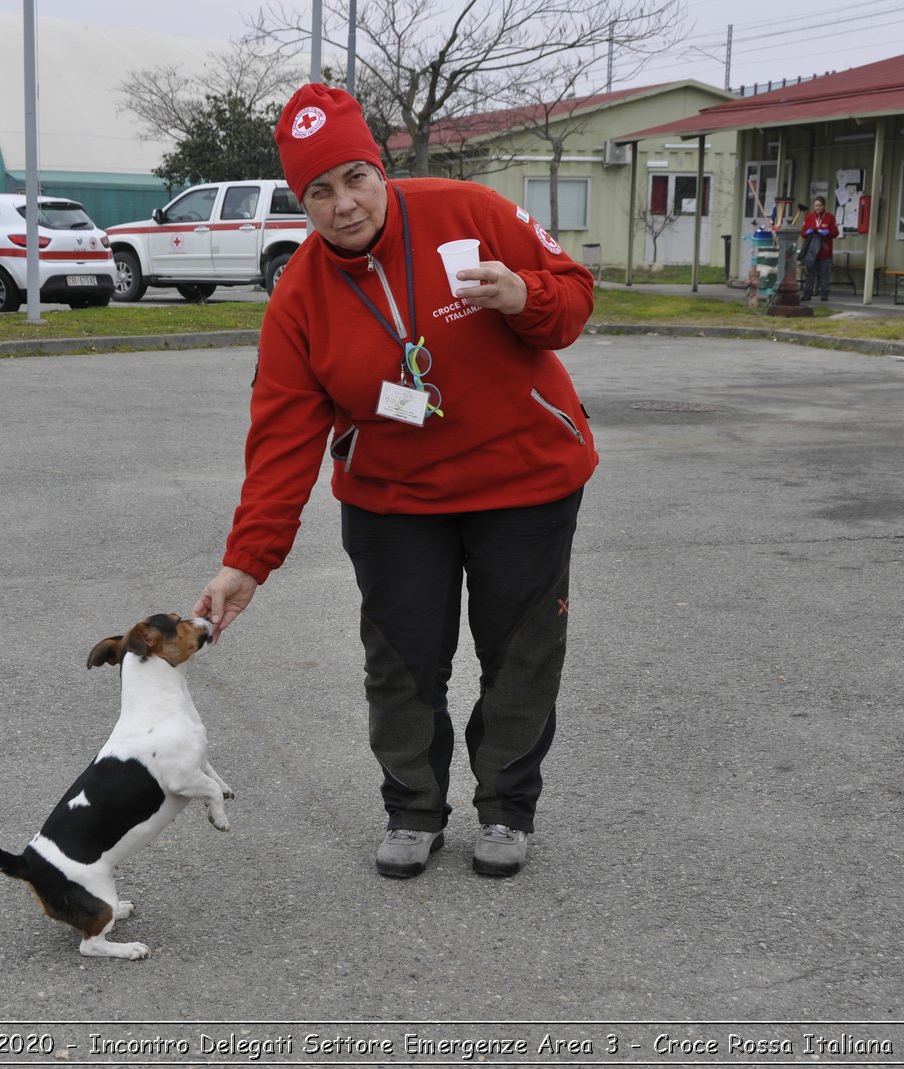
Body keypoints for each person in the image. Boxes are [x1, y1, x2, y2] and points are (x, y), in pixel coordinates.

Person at [192, 84, 598, 880]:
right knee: (401, 660)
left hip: (525, 477)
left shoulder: (470, 210)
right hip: (394, 499)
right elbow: (281, 441)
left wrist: (526, 295)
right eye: (319, 190)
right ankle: (412, 807)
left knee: (521, 653)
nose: (344, 204)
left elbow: (573, 297)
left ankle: (507, 808)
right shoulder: (298, 299)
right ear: (299, 201)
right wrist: (247, 560)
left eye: (356, 178)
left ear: (380, 168)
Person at [799, 196, 838, 300]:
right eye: (816, 205)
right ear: (813, 206)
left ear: (824, 206)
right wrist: (807, 232)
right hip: (811, 251)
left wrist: (828, 232)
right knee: (810, 273)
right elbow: (803, 232)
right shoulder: (809, 217)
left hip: (824, 251)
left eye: (820, 205)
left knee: (824, 273)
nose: (818, 208)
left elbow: (836, 232)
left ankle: (824, 294)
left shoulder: (830, 217)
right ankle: (807, 293)